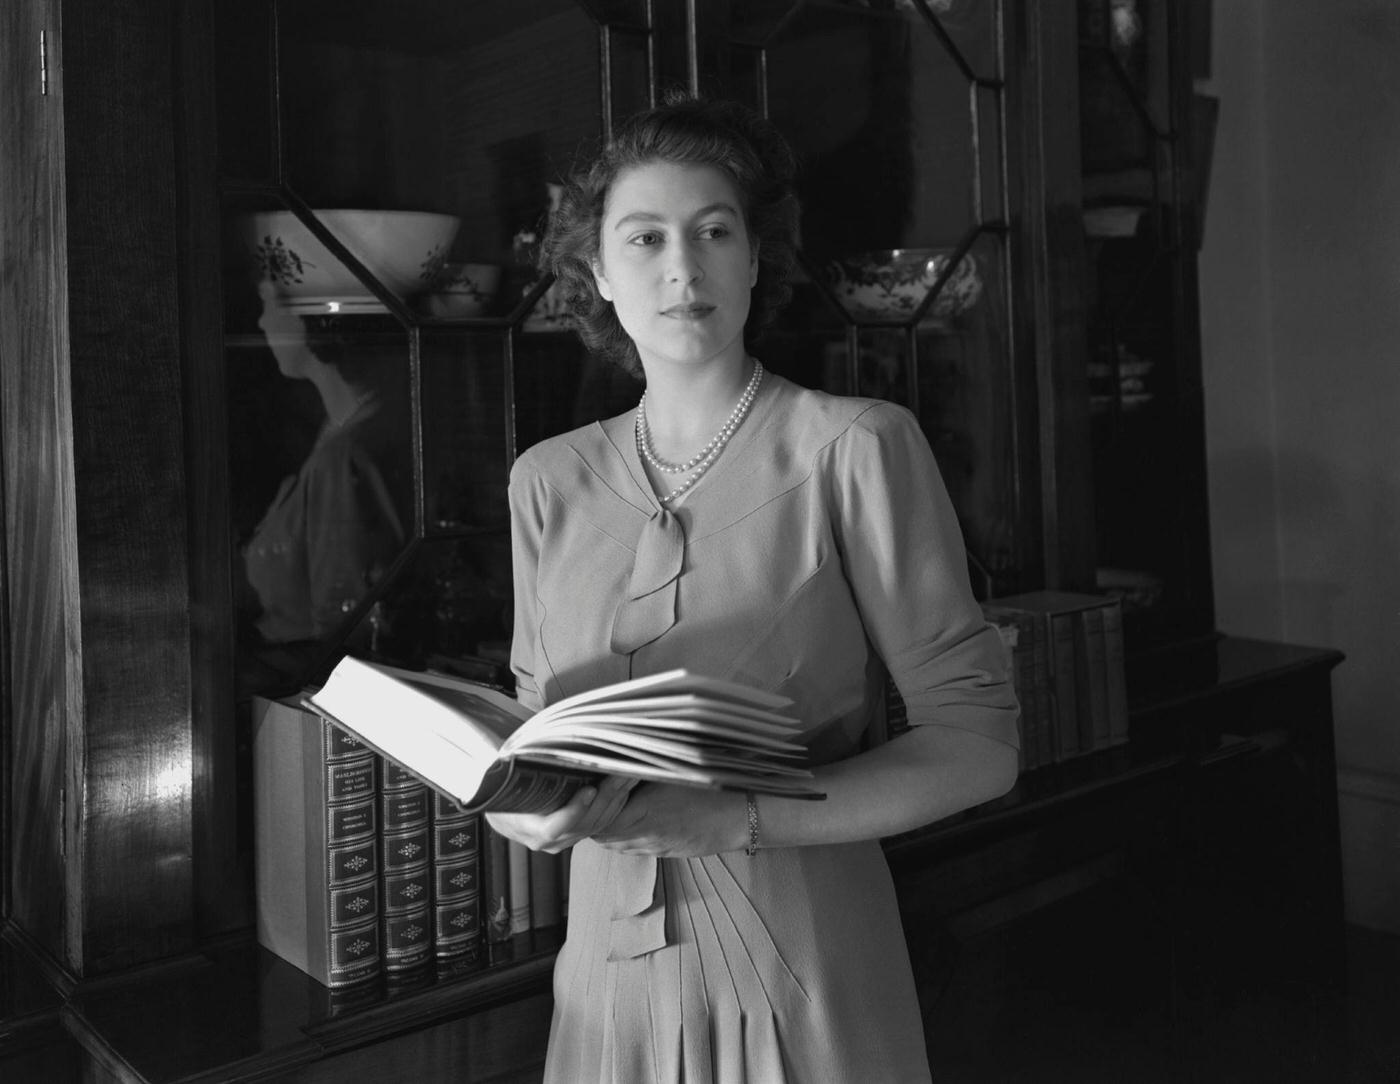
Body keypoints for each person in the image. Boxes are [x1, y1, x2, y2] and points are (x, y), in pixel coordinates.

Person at [487, 94, 1020, 1083]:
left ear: (753, 258)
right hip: (602, 984)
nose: (682, 266)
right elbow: (532, 732)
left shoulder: (855, 446)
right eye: (643, 238)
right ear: (597, 272)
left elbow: (976, 747)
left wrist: (736, 818)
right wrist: (519, 805)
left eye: (713, 231)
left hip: (797, 961)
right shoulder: (544, 481)